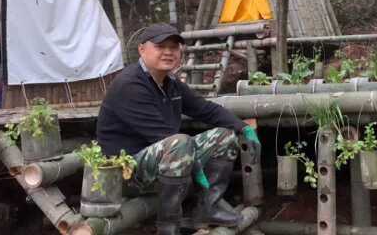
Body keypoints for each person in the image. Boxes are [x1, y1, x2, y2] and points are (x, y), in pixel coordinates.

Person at [96, 23, 261, 234]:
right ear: (142, 49)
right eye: (160, 46)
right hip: (126, 172)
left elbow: (205, 109)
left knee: (224, 136)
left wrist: (243, 128)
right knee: (179, 142)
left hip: (162, 161)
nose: (168, 52)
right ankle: (167, 226)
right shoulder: (129, 85)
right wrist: (198, 171)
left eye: (173, 47)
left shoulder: (170, 83)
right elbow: (163, 137)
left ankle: (207, 207)